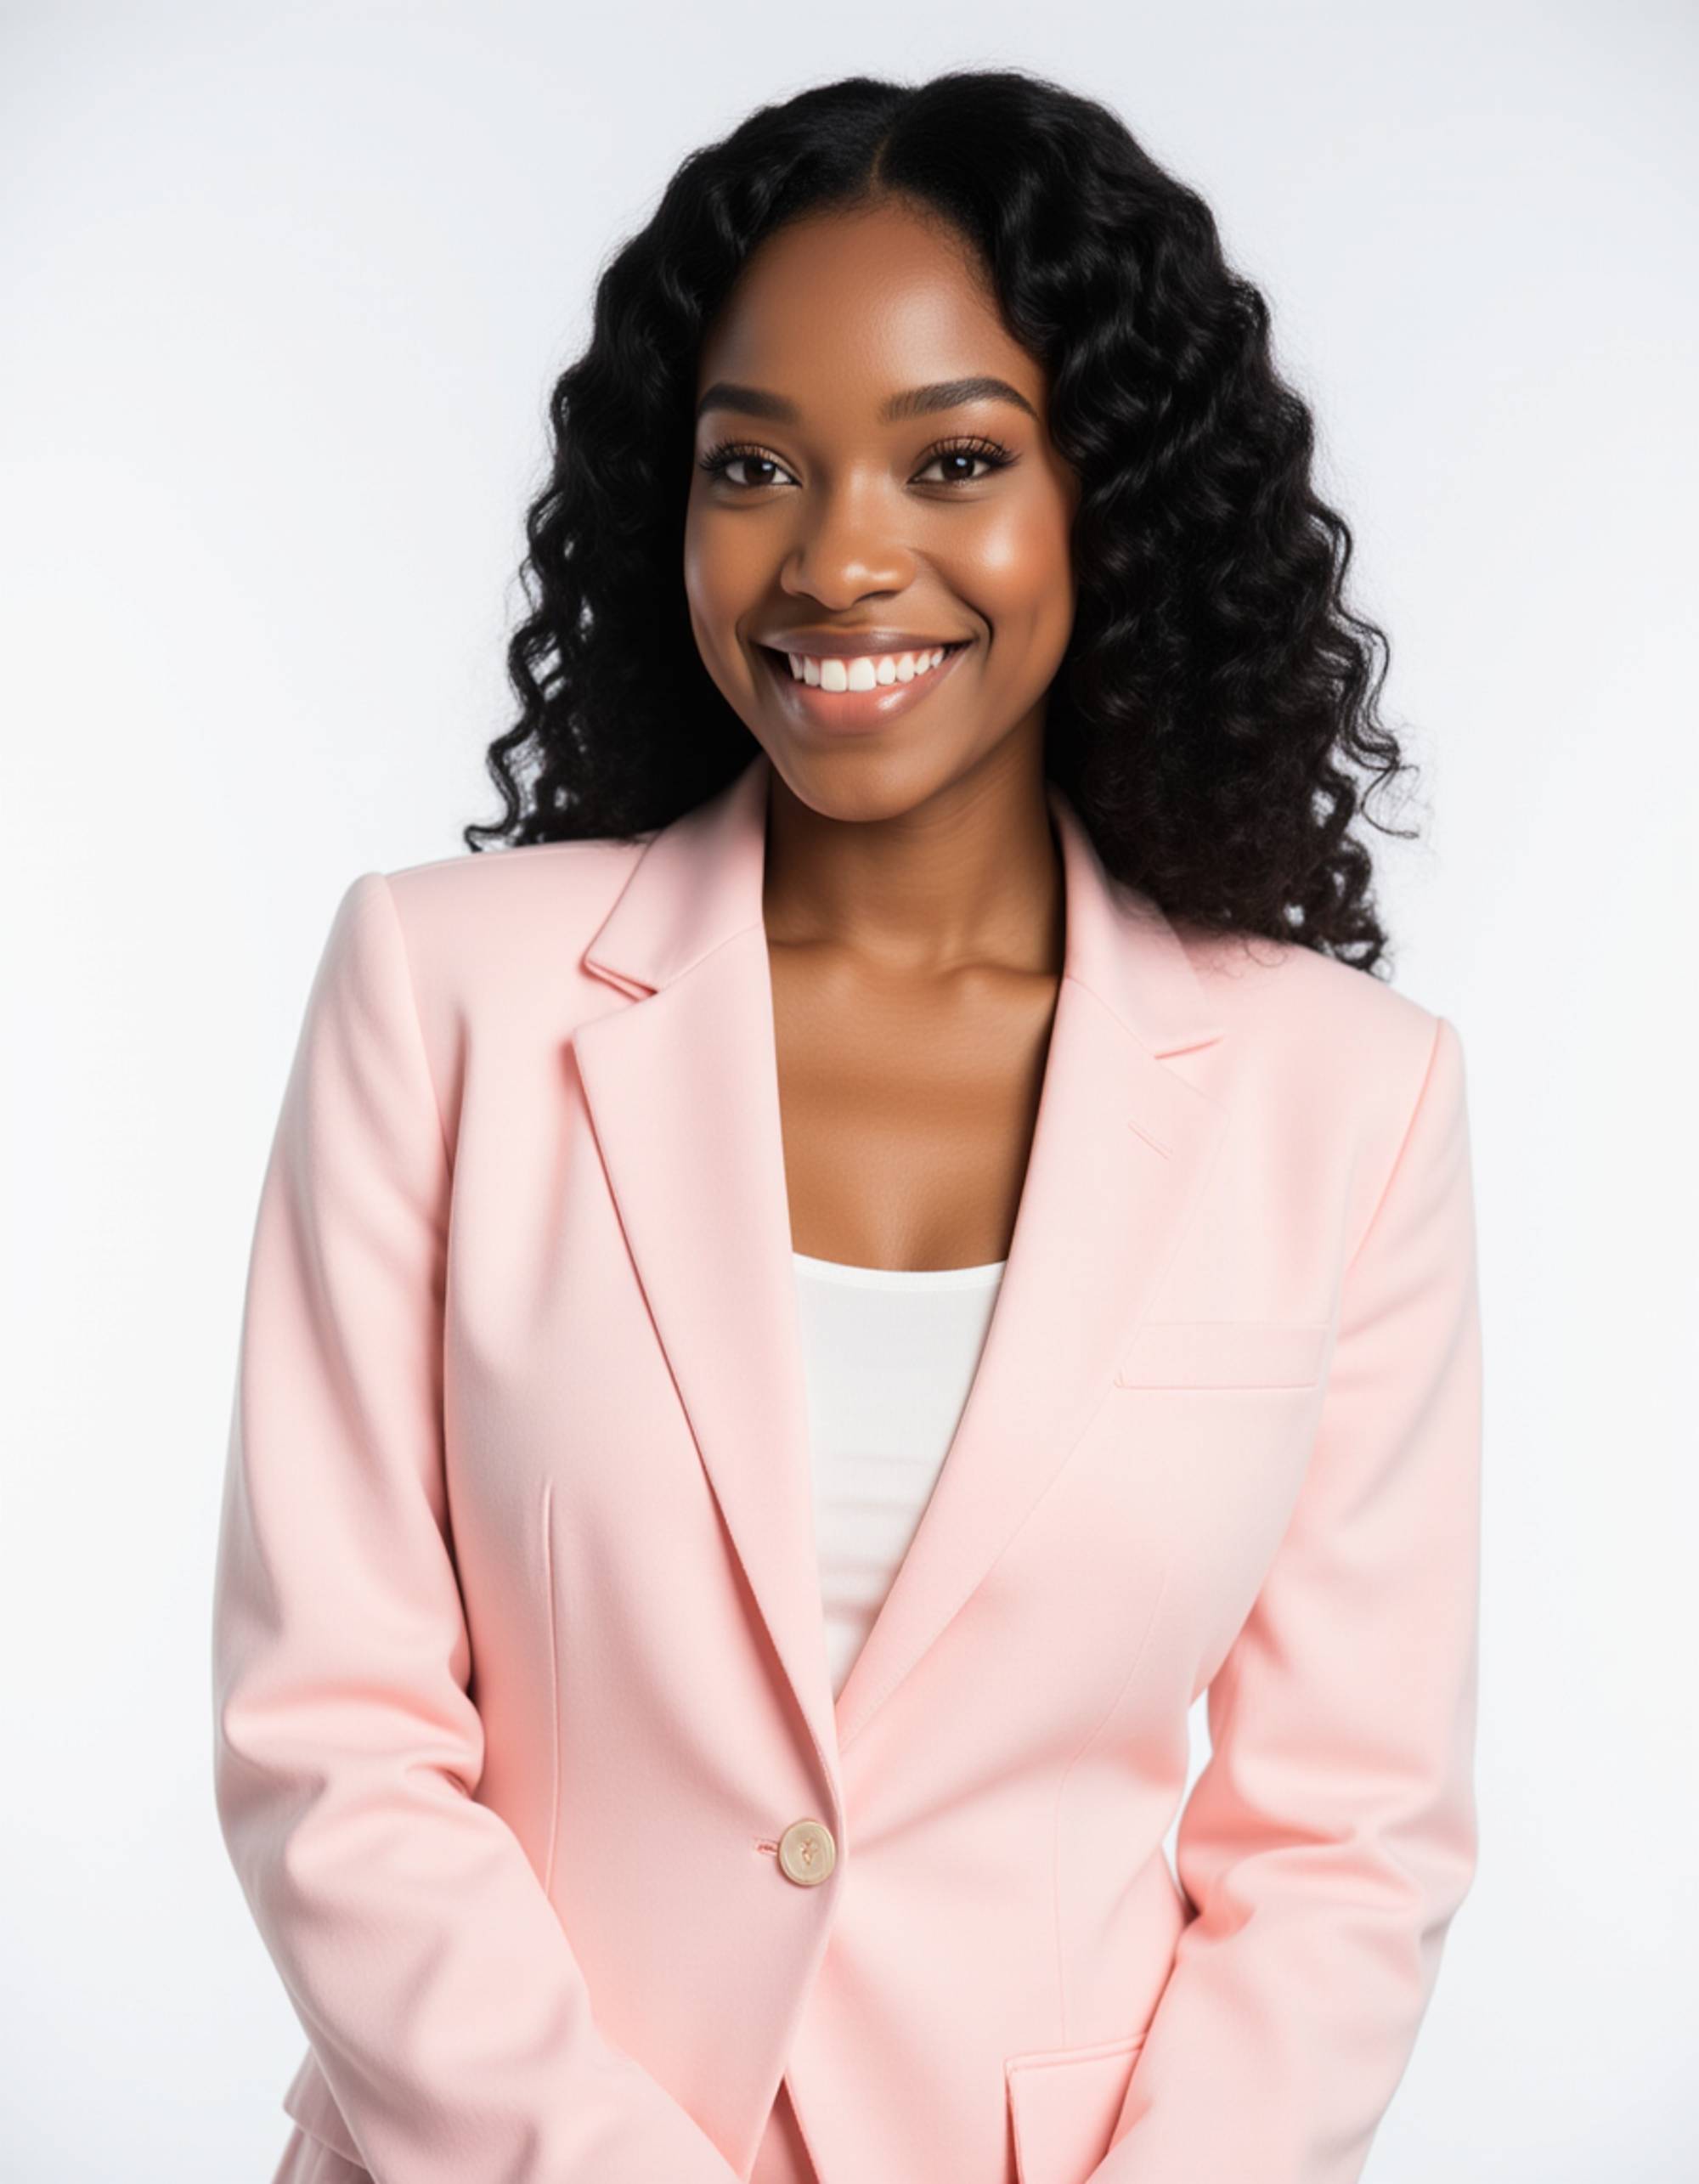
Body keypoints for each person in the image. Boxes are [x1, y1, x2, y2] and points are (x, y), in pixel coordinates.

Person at [212, 66, 1482, 2184]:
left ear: (1114, 499)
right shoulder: (440, 995)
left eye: (954, 458)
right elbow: (328, 1730)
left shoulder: (1342, 1098)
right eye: (754, 466)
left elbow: (1343, 1837)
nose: (838, 559)